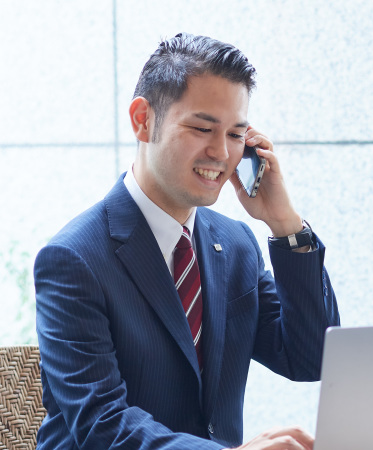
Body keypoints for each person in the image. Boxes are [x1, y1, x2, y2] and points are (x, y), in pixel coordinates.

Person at [34, 32, 339, 449]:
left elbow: (311, 358)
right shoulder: (72, 259)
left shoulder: (235, 245)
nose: (221, 152)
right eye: (201, 128)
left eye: (236, 135)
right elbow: (101, 422)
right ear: (143, 120)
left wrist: (286, 225)